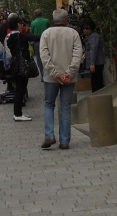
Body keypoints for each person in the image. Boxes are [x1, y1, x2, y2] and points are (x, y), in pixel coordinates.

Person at [39, 9, 83, 150]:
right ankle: (64, 140)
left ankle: (49, 135)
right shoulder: (73, 33)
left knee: (49, 105)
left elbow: (44, 56)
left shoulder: (46, 34)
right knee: (65, 107)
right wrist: (69, 72)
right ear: (66, 19)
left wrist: (55, 73)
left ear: (54, 19)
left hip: (52, 78)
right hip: (69, 77)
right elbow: (77, 55)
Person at [5, 14, 39, 122]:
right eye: (21, 23)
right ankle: (18, 114)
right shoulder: (20, 36)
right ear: (18, 24)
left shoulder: (9, 36)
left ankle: (17, 113)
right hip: (21, 64)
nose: (22, 25)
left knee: (19, 89)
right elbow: (35, 37)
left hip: (15, 64)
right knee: (20, 89)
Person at [82, 21, 106, 92]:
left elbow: (93, 50)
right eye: (84, 28)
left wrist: (92, 64)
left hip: (96, 63)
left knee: (96, 81)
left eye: (87, 28)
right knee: (95, 80)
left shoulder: (94, 37)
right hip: (95, 62)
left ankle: (97, 96)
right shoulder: (91, 37)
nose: (85, 30)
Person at [29, 9, 50, 81]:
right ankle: (49, 73)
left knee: (39, 58)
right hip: (47, 41)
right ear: (42, 14)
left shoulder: (33, 23)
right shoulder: (46, 21)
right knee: (48, 56)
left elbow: (31, 33)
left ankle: (43, 75)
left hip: (37, 42)